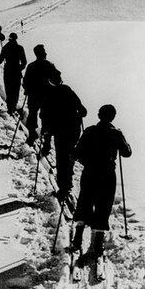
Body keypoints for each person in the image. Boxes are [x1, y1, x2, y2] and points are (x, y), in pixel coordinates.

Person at [71, 104, 133, 259]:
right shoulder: (116, 134)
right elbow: (127, 153)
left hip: (90, 171)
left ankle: (77, 238)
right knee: (103, 205)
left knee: (85, 200)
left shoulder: (90, 131)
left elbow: (77, 152)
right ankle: (98, 243)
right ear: (113, 117)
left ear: (99, 115)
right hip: (107, 174)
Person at [39, 73, 87, 203]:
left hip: (59, 130)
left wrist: (46, 134)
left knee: (61, 157)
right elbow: (83, 111)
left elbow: (44, 114)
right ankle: (68, 183)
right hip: (73, 130)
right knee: (69, 155)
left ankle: (63, 187)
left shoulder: (49, 94)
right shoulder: (69, 91)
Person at [21, 44, 60, 146]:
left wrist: (27, 89)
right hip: (47, 96)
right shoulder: (49, 65)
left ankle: (32, 135)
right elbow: (57, 81)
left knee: (32, 115)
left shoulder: (31, 66)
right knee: (46, 118)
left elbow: (25, 82)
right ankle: (46, 141)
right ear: (43, 54)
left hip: (33, 95)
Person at [0, 33, 27, 114]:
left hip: (8, 71)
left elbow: (0, 60)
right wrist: (19, 68)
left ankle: (9, 106)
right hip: (16, 71)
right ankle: (13, 105)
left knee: (8, 89)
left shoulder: (5, 47)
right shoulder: (20, 48)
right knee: (15, 90)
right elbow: (24, 62)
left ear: (9, 39)